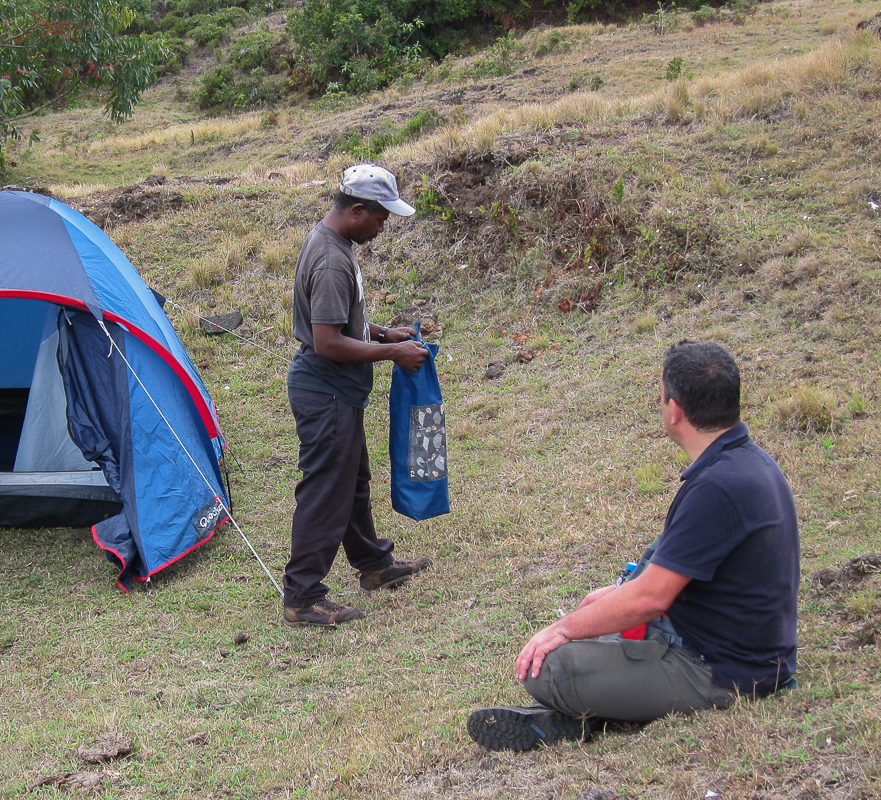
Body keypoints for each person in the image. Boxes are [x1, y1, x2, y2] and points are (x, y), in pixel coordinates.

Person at [467, 340, 800, 750]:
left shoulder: (717, 486)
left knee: (549, 669)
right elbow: (671, 578)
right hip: (724, 645)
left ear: (674, 409)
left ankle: (581, 718)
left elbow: (650, 598)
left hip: (723, 672)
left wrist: (562, 627)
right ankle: (584, 713)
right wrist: (608, 602)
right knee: (596, 625)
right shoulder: (747, 462)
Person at [283, 164, 433, 628]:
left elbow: (343, 323)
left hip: (337, 393)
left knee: (352, 483)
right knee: (327, 491)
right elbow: (327, 341)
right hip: (324, 393)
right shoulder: (331, 260)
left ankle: (373, 566)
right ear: (356, 210)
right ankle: (302, 596)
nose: (383, 226)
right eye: (381, 217)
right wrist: (392, 356)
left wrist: (385, 334)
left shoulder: (335, 244)